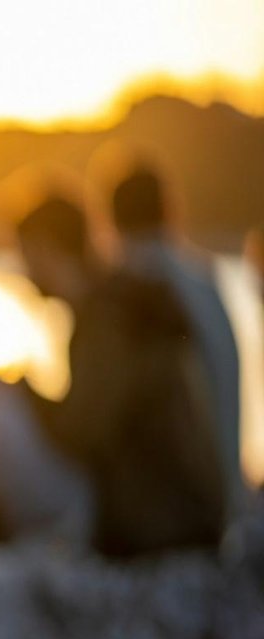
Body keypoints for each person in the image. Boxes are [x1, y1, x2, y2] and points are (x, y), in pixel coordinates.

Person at [0, 190, 225, 556]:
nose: (24, 271)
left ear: (46, 248)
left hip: (161, 526)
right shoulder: (122, 302)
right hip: (183, 516)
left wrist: (24, 393)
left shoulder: (107, 318)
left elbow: (82, 433)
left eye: (25, 255)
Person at [103, 159, 245, 518]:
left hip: (181, 507)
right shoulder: (204, 281)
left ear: (112, 219)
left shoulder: (133, 288)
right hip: (226, 494)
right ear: (168, 210)